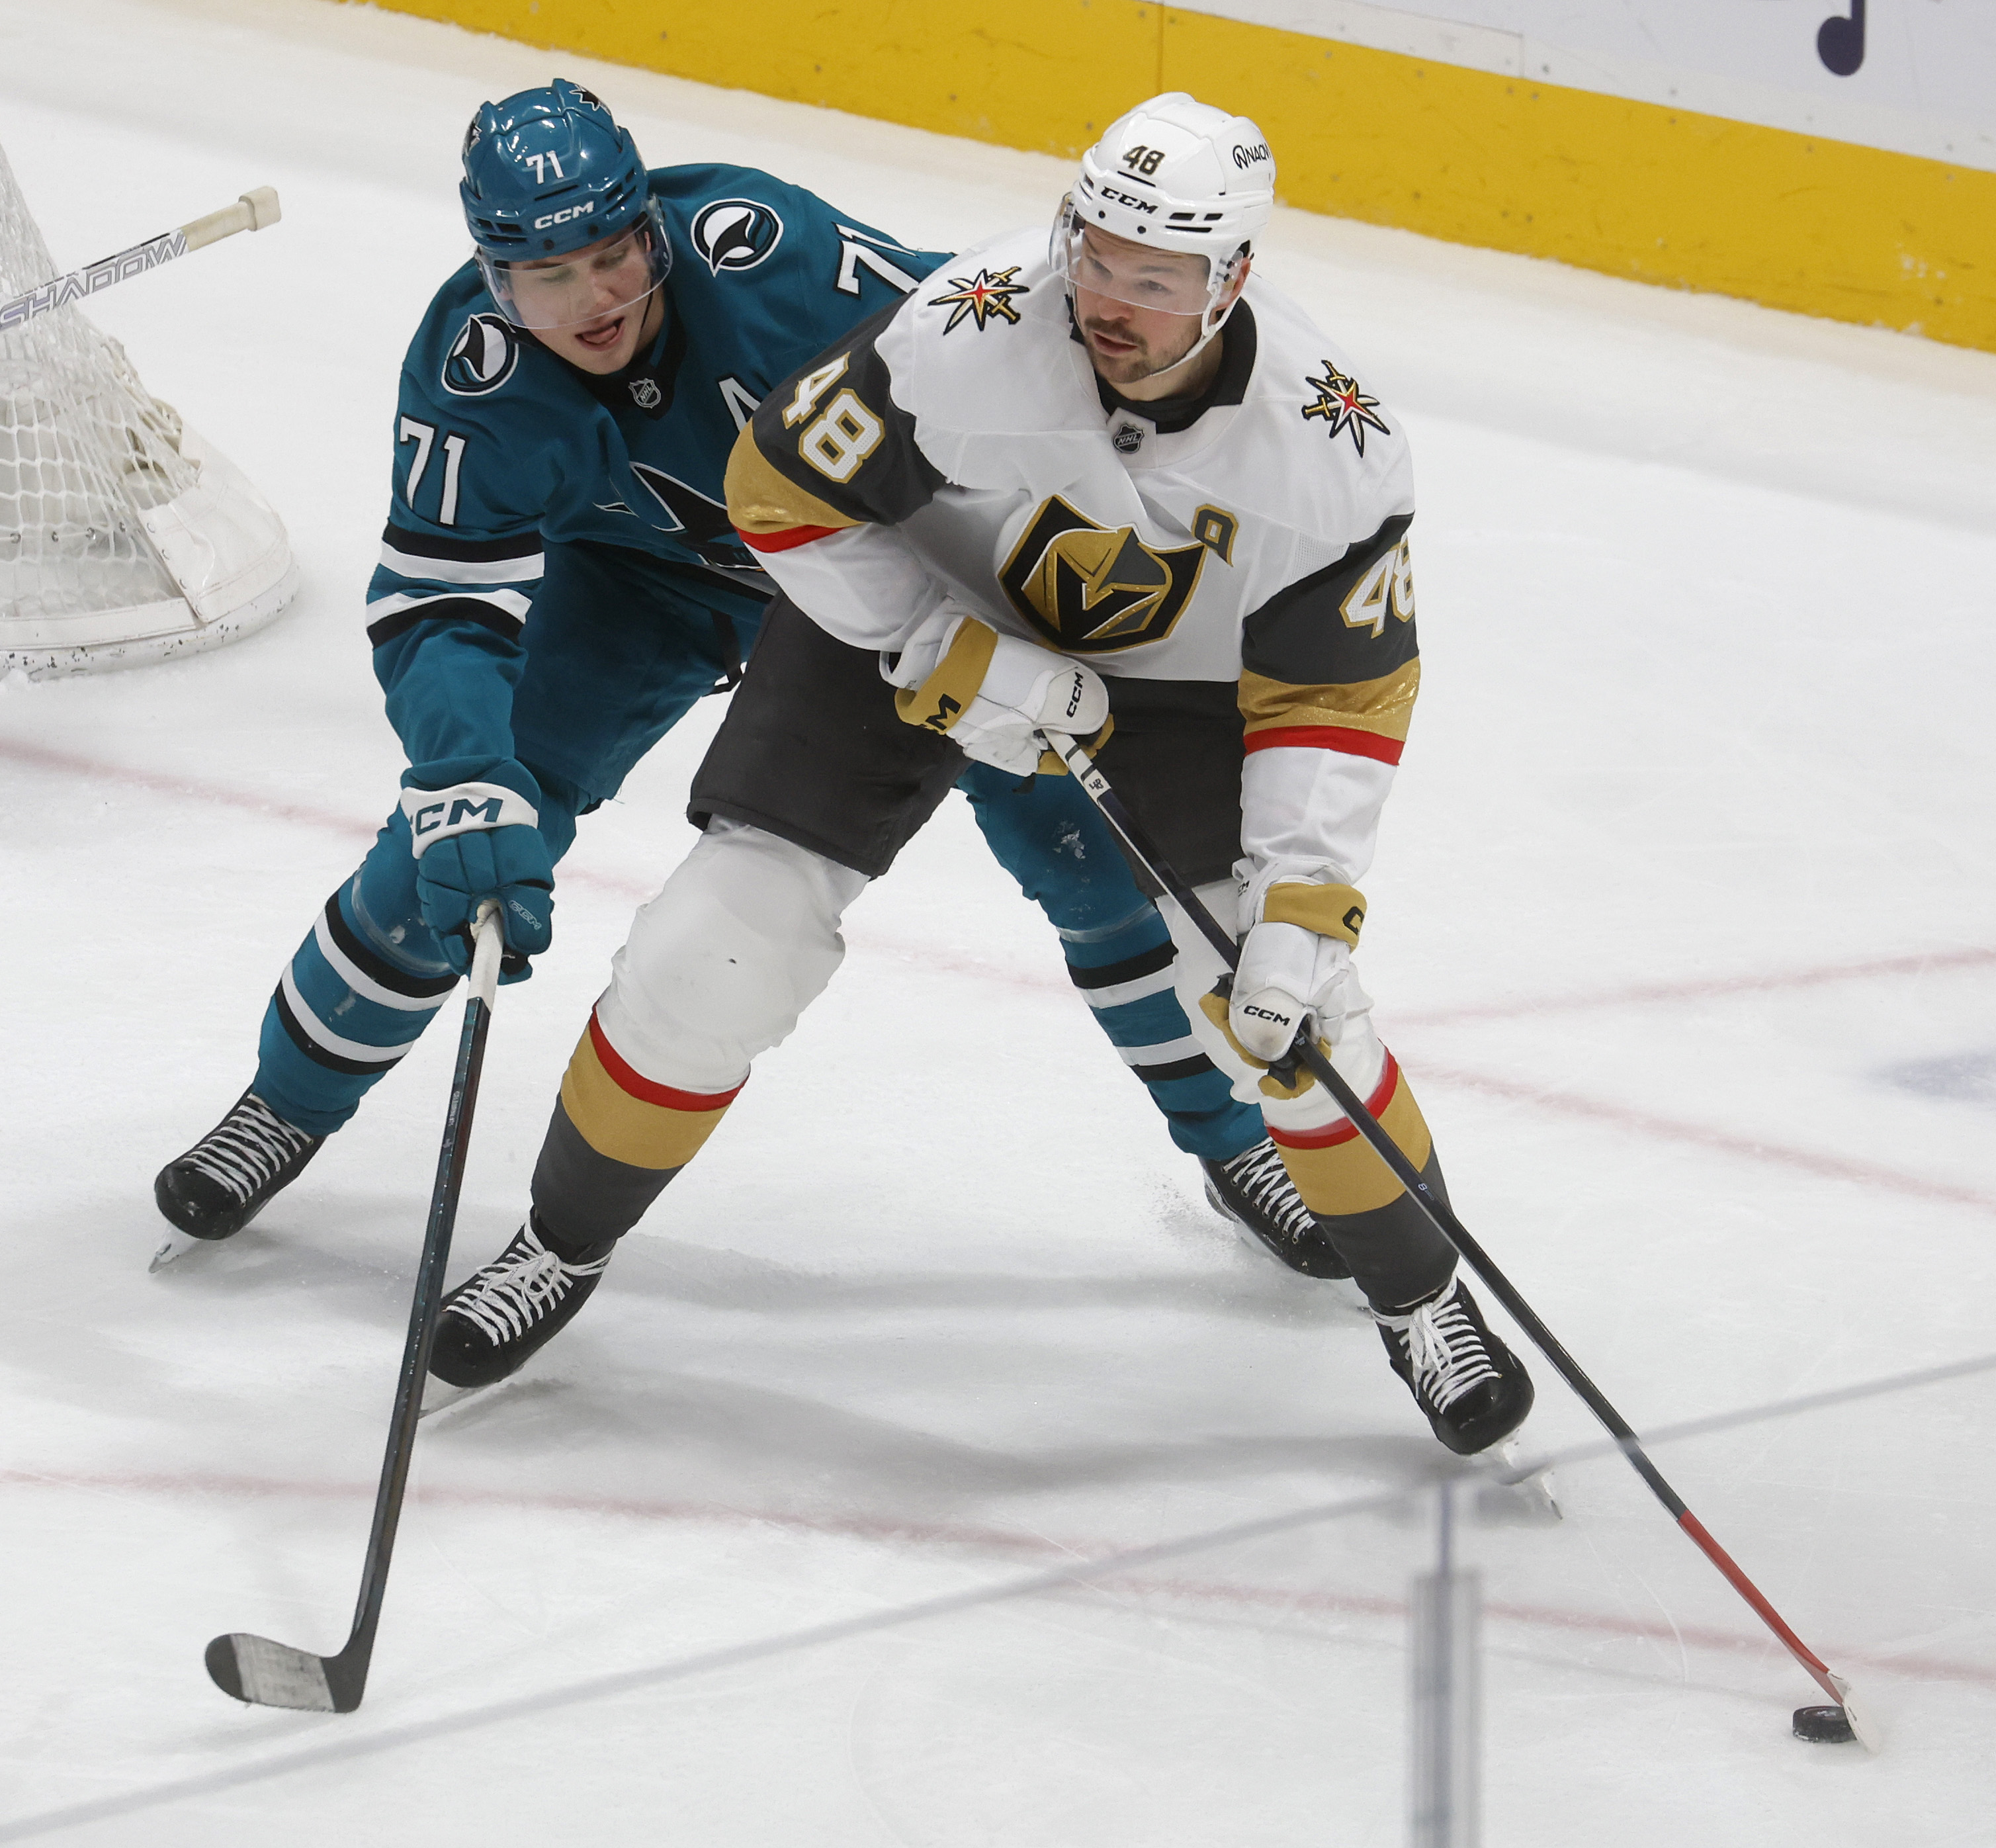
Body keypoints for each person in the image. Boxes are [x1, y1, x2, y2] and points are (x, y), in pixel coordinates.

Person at [431, 92, 1534, 1460]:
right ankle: (560, 1240)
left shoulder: (1332, 450)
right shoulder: (965, 329)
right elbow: (776, 487)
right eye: (1094, 255)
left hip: (1175, 687)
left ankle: (1422, 1298)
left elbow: (1336, 692)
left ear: (1231, 277)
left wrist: (1305, 904)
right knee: (714, 947)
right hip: (911, 614)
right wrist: (934, 643)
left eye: (1154, 280)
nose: (1107, 302)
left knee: (1290, 1008)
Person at [153, 81, 1337, 1286]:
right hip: (643, 586)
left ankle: (1236, 1142)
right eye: (549, 277)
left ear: (651, 230)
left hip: (907, 564)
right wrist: (462, 768)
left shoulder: (773, 257)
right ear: (494, 278)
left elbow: (991, 357)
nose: (595, 300)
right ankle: (281, 1108)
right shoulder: (472, 373)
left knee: (1086, 846)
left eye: (612, 256)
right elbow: (438, 600)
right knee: (458, 839)